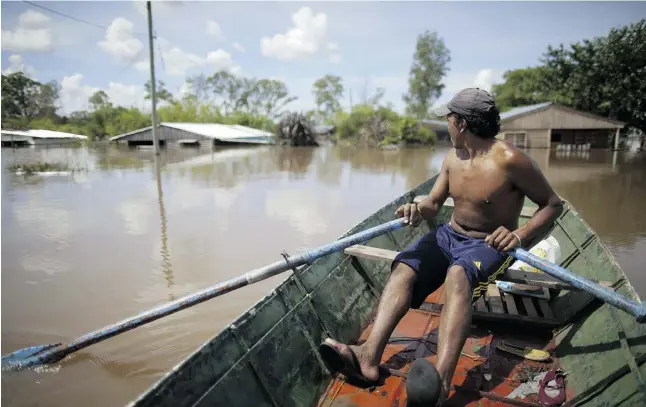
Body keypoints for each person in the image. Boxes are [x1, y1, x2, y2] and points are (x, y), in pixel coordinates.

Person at [319, 88, 564, 404]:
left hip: (488, 244)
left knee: (458, 276)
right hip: (449, 235)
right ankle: (368, 356)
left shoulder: (511, 160)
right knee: (405, 267)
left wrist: (519, 235)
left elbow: (552, 204)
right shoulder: (452, 158)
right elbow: (434, 203)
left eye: (448, 119)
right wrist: (417, 208)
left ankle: (441, 383)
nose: (446, 126)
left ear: (461, 123)